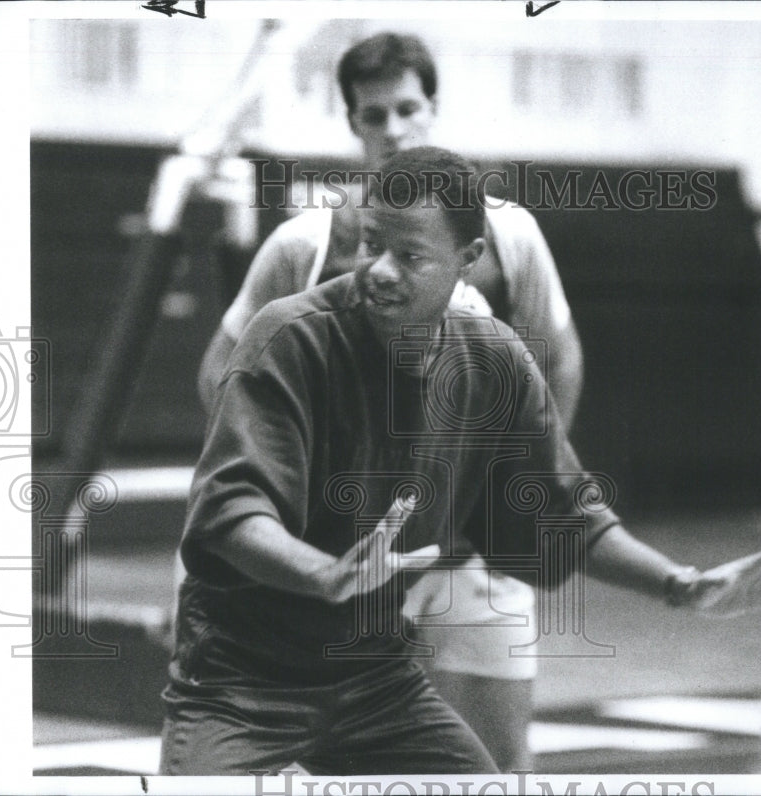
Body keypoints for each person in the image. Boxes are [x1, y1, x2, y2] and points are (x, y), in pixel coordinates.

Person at [161, 146, 761, 776]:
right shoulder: (288, 335)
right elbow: (232, 511)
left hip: (370, 676)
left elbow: (567, 516)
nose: (380, 270)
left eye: (408, 254)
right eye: (371, 244)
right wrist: (325, 574)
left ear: (469, 258)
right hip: (240, 679)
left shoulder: (492, 360)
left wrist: (683, 585)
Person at [195, 32, 582, 771]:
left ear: (432, 109)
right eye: (376, 115)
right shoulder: (305, 243)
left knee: (498, 765)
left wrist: (515, 498)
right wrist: (290, 506)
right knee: (360, 760)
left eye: (408, 109)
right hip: (349, 553)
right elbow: (222, 373)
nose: (394, 129)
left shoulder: (508, 234)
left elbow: (557, 364)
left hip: (469, 553)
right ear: (352, 123)